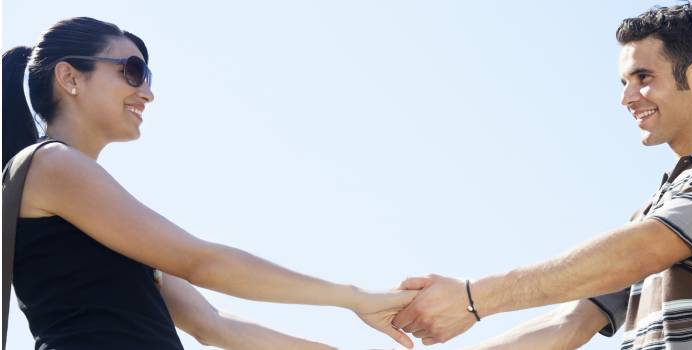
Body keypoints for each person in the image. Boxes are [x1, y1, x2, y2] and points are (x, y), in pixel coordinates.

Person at [391, 4, 692, 350]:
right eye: (624, 82)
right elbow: (568, 323)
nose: (626, 97)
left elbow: (647, 247)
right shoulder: (654, 209)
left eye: (643, 78)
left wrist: (471, 298)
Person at [2, 17, 416, 350]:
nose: (147, 93)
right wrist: (354, 297)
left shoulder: (94, 200)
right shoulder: (51, 165)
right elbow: (204, 262)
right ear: (70, 77)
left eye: (148, 77)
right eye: (132, 71)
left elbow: (212, 324)